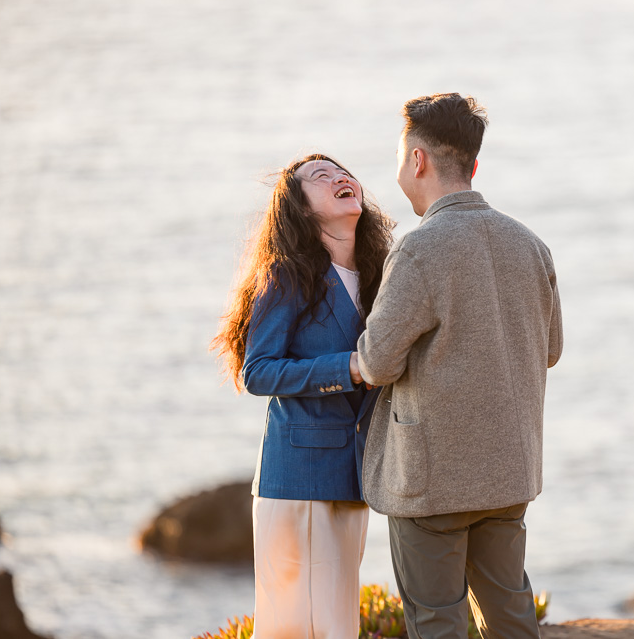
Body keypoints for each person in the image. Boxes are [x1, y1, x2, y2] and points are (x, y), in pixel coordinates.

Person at [356, 93, 563, 639]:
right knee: (512, 616)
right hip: (508, 468)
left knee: (436, 623)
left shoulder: (419, 249)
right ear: (473, 164)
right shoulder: (531, 245)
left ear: (418, 161)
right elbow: (551, 349)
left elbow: (375, 363)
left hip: (433, 480)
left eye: (402, 157)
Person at [212, 153, 394, 638]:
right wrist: (348, 368)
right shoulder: (288, 274)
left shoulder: (381, 275)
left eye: (342, 171)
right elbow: (258, 372)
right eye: (320, 176)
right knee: (298, 626)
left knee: (337, 623)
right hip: (298, 478)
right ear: (300, 208)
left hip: (355, 472)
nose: (339, 177)